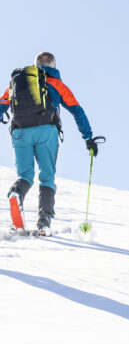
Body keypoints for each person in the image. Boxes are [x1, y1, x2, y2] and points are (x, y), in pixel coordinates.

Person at [0, 52, 102, 235]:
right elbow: (77, 111)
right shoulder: (56, 83)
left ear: (35, 64)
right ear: (53, 66)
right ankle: (44, 221)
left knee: (25, 175)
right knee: (47, 176)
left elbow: (2, 104)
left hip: (20, 131)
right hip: (46, 131)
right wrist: (88, 138)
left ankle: (17, 193)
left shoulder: (17, 81)